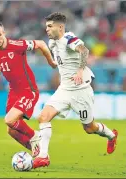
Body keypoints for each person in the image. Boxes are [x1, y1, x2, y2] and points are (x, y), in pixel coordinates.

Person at [33, 12, 118, 168]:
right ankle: (43, 157)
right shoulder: (52, 43)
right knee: (43, 117)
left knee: (89, 128)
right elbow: (57, 63)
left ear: (60, 27)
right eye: (46, 26)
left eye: (50, 26)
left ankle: (111, 135)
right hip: (64, 89)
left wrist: (80, 70)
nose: (47, 29)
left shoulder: (69, 39)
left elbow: (84, 51)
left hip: (81, 91)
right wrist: (47, 57)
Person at [0, 19, 57, 158]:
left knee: (9, 120)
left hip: (28, 90)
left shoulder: (16, 45)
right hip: (14, 91)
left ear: (4, 33)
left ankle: (35, 136)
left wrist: (51, 61)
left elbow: (41, 44)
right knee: (11, 130)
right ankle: (40, 154)